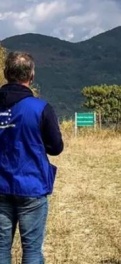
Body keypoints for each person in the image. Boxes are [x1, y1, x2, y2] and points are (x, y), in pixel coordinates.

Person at [0, 51, 64, 264]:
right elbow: (56, 148)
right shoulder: (41, 108)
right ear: (31, 76)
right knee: (32, 250)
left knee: (1, 249)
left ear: (6, 73)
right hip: (31, 186)